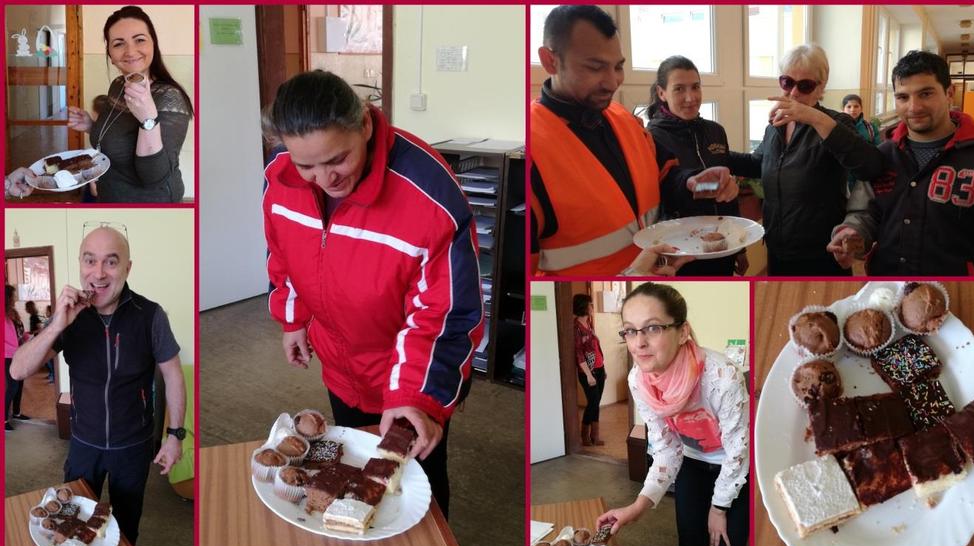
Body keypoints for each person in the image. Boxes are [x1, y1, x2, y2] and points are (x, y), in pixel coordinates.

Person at [262, 70, 484, 518]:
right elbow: (282, 253)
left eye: (337, 159)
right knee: (352, 462)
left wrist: (414, 396)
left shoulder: (429, 193)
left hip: (409, 371)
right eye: (307, 165)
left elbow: (444, 313)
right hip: (340, 360)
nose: (324, 178)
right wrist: (293, 319)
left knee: (417, 480)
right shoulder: (280, 174)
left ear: (365, 124)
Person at [10, 226, 186, 545]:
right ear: (80, 264)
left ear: (127, 268)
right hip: (83, 445)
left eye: (111, 262)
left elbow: (173, 374)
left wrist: (174, 436)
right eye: (90, 261)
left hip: (132, 446)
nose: (99, 273)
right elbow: (18, 370)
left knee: (126, 527)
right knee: (71, 521)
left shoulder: (150, 315)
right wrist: (57, 326)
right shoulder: (69, 317)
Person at [530, 5, 737, 276]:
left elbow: (667, 176)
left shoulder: (624, 119)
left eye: (618, 67)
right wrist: (626, 280)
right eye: (595, 67)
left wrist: (697, 182)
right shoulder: (532, 146)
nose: (612, 81)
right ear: (550, 61)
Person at [597, 283, 748, 546]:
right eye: (630, 330)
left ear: (682, 332)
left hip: (736, 467)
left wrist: (719, 508)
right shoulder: (639, 380)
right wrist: (637, 507)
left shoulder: (720, 376)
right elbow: (666, 449)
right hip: (693, 464)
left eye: (652, 328)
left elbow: (738, 451)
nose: (639, 342)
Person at [828, 51, 974, 276]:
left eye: (926, 94)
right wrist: (852, 232)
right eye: (903, 97)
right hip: (887, 289)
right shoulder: (882, 155)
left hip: (961, 295)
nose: (913, 107)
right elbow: (864, 214)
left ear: (949, 93)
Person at [728, 44, 884, 275]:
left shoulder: (836, 122)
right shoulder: (776, 125)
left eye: (805, 85)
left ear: (821, 87)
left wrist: (813, 117)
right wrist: (717, 155)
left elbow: (870, 166)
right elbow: (759, 163)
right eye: (787, 82)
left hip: (822, 252)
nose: (793, 93)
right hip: (778, 246)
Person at [67, 6, 193, 202]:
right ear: (109, 52)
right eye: (118, 43)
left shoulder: (170, 98)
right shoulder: (118, 85)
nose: (130, 51)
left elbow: (153, 177)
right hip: (109, 195)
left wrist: (147, 118)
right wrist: (90, 125)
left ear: (153, 44)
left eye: (140, 40)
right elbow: (113, 140)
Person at [646, 56, 748, 276]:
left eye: (695, 87)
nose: (690, 97)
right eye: (679, 89)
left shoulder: (715, 131)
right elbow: (665, 192)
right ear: (661, 93)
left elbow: (726, 193)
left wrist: (740, 247)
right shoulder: (651, 136)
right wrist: (700, 185)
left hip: (721, 247)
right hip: (680, 252)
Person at [573, 294, 605, 446]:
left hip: (599, 368)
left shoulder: (589, 323)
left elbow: (595, 348)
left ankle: (595, 436)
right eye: (590, 305)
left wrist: (602, 368)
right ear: (584, 307)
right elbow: (579, 354)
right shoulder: (576, 328)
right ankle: (584, 435)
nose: (592, 307)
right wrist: (588, 375)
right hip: (588, 372)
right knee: (592, 402)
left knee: (596, 402)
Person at [5, 285, 26, 431]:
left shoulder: (13, 313)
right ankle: (4, 419)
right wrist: (18, 350)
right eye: (13, 295)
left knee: (20, 385)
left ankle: (17, 412)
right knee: (12, 387)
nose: (16, 298)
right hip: (8, 357)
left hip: (19, 354)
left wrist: (29, 337)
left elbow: (19, 333)